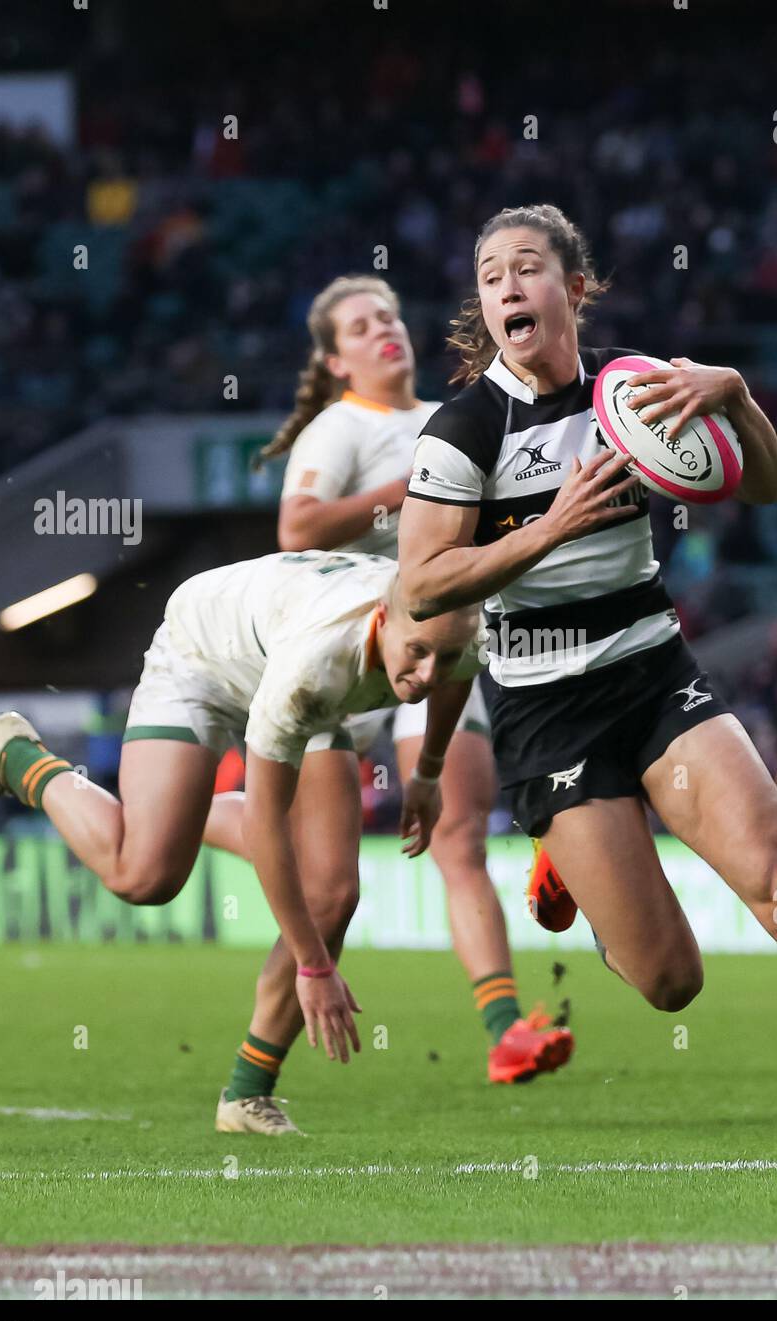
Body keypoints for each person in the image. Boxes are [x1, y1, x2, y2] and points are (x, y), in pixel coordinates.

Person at [395, 201, 777, 1155]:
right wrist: (547, 529)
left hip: (657, 675)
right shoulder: (464, 431)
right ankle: (569, 856)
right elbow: (420, 584)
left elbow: (767, 484)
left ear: (573, 288)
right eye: (490, 277)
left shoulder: (637, 393)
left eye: (525, 269)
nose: (505, 288)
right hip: (546, 714)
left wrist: (735, 394)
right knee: (671, 981)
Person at [0, 550, 484, 1133]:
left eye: (443, 656)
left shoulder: (456, 623)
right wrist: (314, 969)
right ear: (383, 622)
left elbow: (456, 676)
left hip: (282, 650)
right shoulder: (313, 670)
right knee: (145, 876)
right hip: (205, 655)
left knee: (332, 894)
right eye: (416, 652)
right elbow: (268, 820)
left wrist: (427, 774)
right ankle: (17, 759)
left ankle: (247, 1094)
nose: (427, 673)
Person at [230, 273, 573, 1085]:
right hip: (344, 657)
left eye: (390, 314)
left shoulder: (450, 421)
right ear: (336, 359)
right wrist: (407, 489)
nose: (385, 329)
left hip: (437, 650)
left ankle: (504, 1028)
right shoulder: (339, 429)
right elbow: (297, 528)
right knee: (330, 886)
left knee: (457, 835)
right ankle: (252, 1071)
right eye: (360, 325)